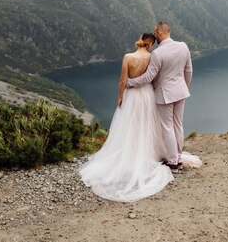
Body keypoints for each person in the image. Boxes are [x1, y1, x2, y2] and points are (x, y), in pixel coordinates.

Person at [79, 33, 174, 202]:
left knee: (131, 125)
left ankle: (130, 156)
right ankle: (149, 154)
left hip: (132, 95)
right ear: (151, 44)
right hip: (147, 94)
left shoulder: (128, 57)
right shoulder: (152, 57)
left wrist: (120, 96)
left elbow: (123, 80)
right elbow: (153, 78)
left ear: (139, 41)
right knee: (147, 124)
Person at [126, 21, 199, 171]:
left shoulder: (157, 53)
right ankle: (177, 156)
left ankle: (173, 162)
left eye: (155, 32)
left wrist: (130, 82)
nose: (155, 37)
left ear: (159, 32)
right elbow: (189, 71)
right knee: (178, 124)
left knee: (167, 127)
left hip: (165, 94)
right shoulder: (183, 46)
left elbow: (148, 77)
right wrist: (184, 87)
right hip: (181, 91)